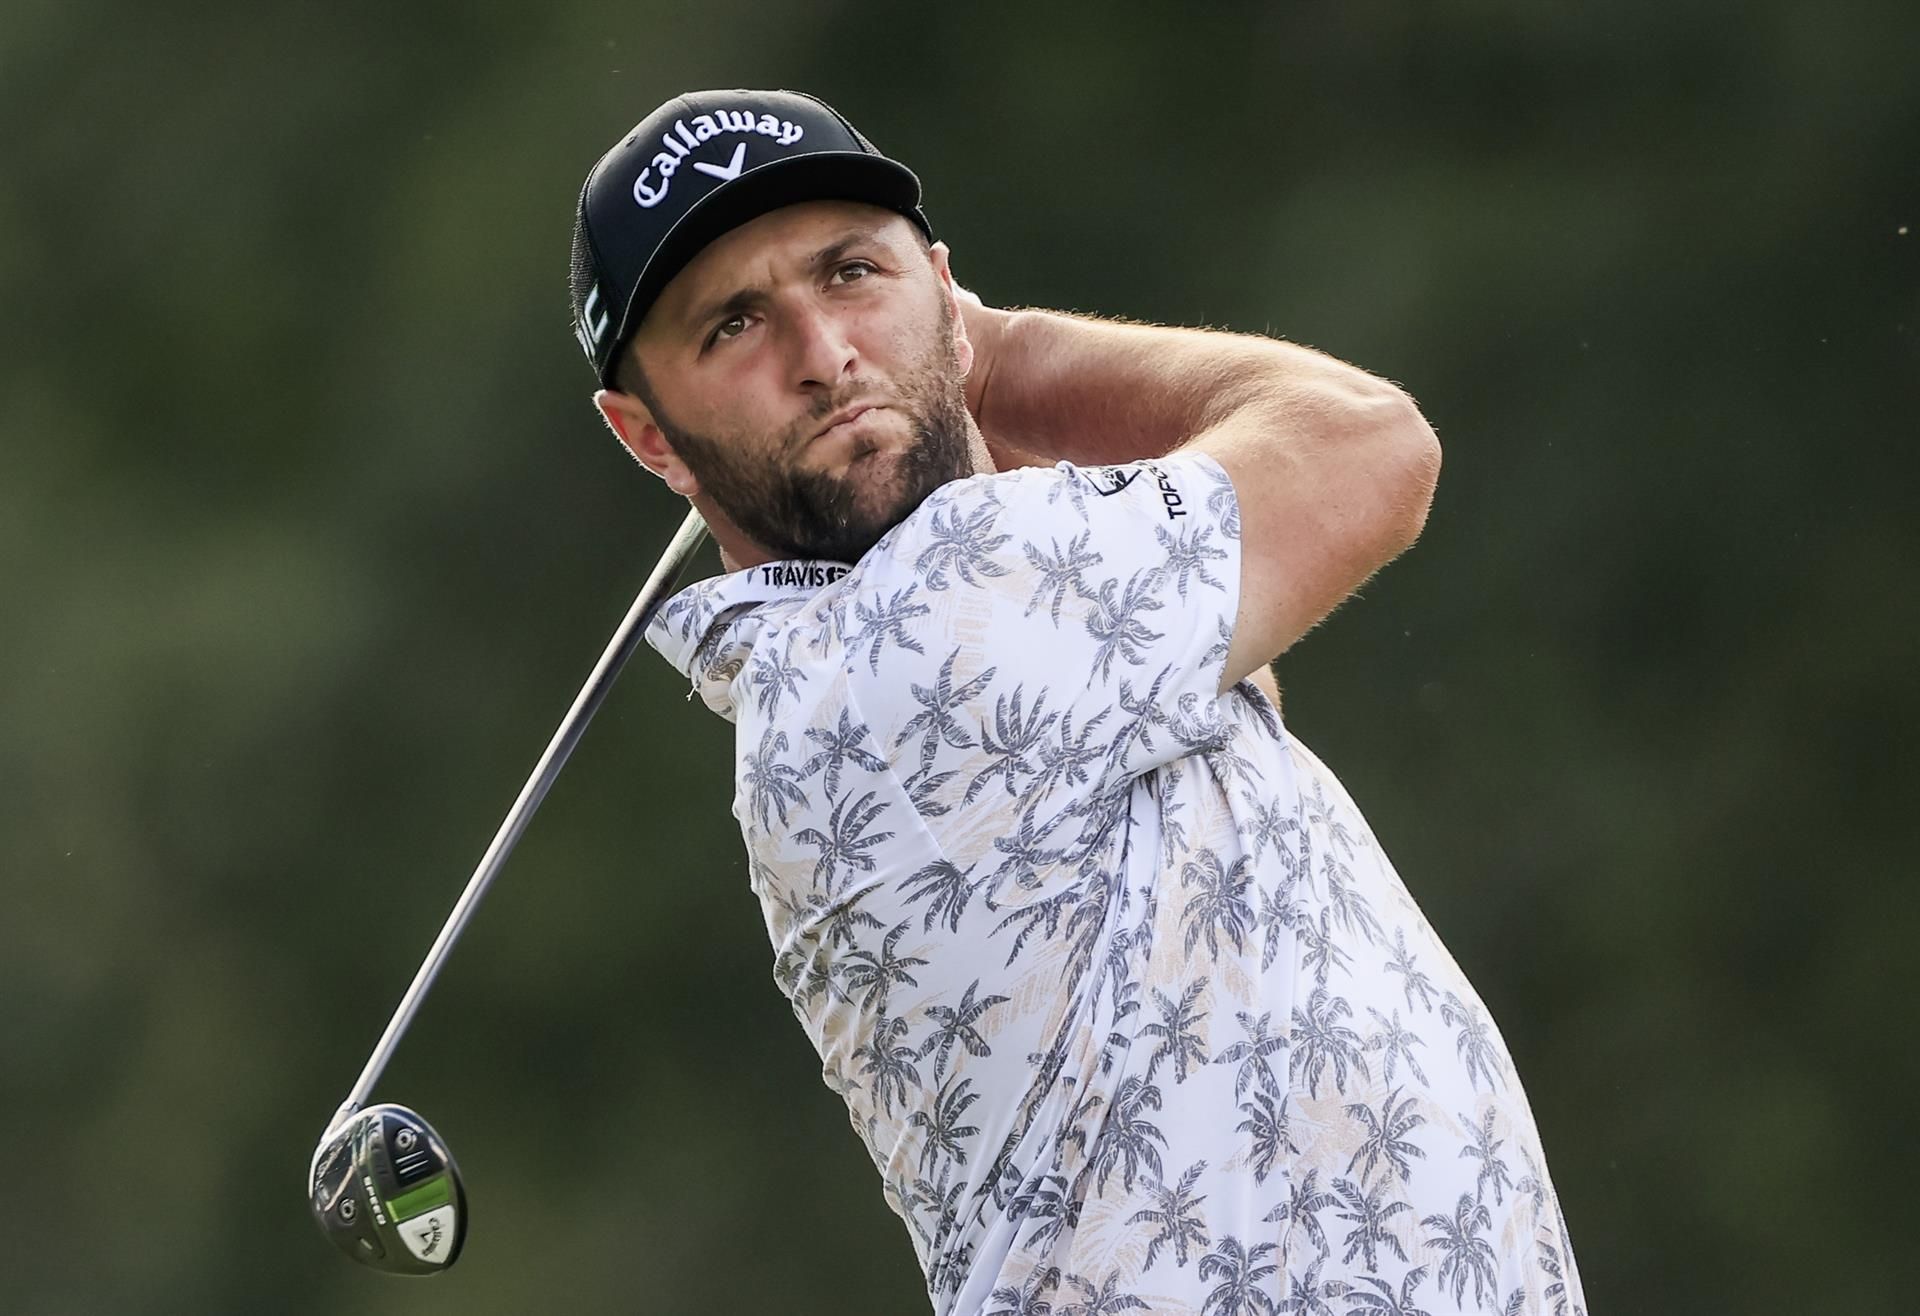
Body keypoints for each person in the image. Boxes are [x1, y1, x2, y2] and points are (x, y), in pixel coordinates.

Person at [569, 88, 1585, 1316]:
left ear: (931, 279)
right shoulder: (923, 635)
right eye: (734, 324)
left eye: (850, 273)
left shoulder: (967, 613)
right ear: (647, 437)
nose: (825, 355)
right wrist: (992, 351)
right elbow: (1368, 444)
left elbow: (1234, 660)